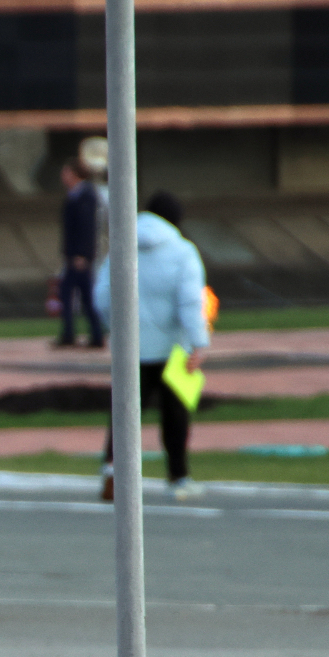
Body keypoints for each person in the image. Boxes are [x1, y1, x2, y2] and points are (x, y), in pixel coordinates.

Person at [95, 190, 211, 500]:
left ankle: (111, 471)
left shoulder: (121, 245)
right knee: (175, 414)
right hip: (173, 348)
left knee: (124, 412)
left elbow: (102, 296)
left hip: (129, 347)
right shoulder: (183, 251)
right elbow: (190, 302)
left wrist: (116, 328)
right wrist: (198, 343)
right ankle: (178, 478)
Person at [55, 158, 105, 350]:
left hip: (80, 256)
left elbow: (86, 228)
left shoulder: (85, 196)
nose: (63, 177)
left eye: (66, 173)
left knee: (79, 295)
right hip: (74, 254)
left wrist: (82, 254)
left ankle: (87, 335)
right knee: (76, 294)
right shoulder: (76, 195)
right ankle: (84, 334)